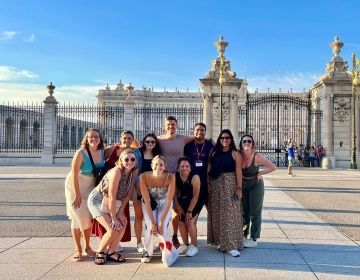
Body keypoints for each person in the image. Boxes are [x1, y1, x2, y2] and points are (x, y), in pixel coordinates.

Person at [91, 130, 142, 251]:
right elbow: (98, 159)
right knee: (107, 214)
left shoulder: (134, 153)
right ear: (121, 138)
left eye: (130, 138)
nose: (127, 140)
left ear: (133, 140)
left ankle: (115, 242)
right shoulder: (112, 149)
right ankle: (106, 240)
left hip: (122, 190)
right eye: (125, 138)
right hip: (108, 187)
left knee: (120, 215)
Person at [88, 149, 138, 265]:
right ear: (120, 160)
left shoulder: (133, 172)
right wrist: (114, 217)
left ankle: (111, 251)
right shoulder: (117, 171)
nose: (129, 162)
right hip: (98, 199)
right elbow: (111, 195)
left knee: (122, 225)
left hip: (115, 201)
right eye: (126, 159)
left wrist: (120, 212)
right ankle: (100, 252)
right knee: (111, 229)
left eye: (132, 159)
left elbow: (128, 193)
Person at [64, 128, 105, 261]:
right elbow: (74, 175)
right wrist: (76, 195)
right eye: (91, 137)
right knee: (78, 216)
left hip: (90, 186)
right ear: (86, 139)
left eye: (96, 137)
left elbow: (121, 149)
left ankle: (87, 247)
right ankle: (78, 249)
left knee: (86, 216)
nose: (94, 139)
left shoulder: (103, 152)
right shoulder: (81, 153)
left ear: (100, 138)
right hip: (75, 186)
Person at [158, 116, 194, 248]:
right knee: (162, 208)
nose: (170, 127)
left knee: (176, 208)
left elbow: (198, 136)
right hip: (164, 178)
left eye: (173, 124)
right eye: (168, 124)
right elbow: (144, 145)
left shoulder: (182, 138)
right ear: (164, 126)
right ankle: (163, 234)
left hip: (177, 178)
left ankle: (174, 235)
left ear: (177, 126)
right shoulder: (159, 139)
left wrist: (213, 141)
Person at [207, 129, 243, 257]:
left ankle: (231, 244)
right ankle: (220, 241)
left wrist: (239, 188)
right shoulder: (214, 152)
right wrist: (208, 183)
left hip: (229, 185)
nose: (225, 140)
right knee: (216, 213)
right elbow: (209, 168)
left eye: (227, 138)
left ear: (231, 139)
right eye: (222, 138)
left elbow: (239, 171)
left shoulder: (235, 153)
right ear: (219, 139)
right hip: (216, 184)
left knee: (229, 214)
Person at [239, 134, 277, 248]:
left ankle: (254, 238)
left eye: (249, 141)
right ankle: (244, 236)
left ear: (252, 144)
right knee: (244, 212)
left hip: (256, 185)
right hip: (244, 185)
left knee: (255, 212)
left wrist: (260, 173)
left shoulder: (257, 156)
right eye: (244, 141)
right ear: (241, 143)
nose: (247, 143)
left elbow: (273, 167)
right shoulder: (239, 155)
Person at [139, 155, 176, 263]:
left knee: (162, 227)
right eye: (156, 164)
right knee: (150, 227)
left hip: (164, 203)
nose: (158, 167)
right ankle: (147, 250)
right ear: (151, 165)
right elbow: (147, 200)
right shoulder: (144, 177)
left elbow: (169, 200)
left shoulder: (170, 177)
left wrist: (160, 222)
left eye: (161, 165)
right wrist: (151, 221)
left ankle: (166, 249)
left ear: (165, 166)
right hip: (149, 204)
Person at [134, 133, 161, 253]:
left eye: (153, 142)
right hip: (138, 187)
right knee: (139, 216)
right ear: (143, 142)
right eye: (148, 141)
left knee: (150, 217)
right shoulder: (138, 153)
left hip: (152, 190)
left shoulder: (157, 155)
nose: (150, 144)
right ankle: (139, 242)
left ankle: (151, 242)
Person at [183, 122, 215, 214]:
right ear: (193, 132)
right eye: (197, 130)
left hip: (208, 184)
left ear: (205, 132)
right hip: (193, 184)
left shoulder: (210, 145)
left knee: (212, 213)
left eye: (202, 130)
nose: (199, 132)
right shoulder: (188, 146)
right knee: (193, 215)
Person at [174, 157, 201, 257]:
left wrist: (189, 211)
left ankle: (194, 246)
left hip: (195, 202)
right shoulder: (175, 176)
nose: (184, 168)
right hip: (182, 202)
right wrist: (178, 208)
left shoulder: (195, 177)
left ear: (190, 168)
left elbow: (196, 196)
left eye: (187, 166)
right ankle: (185, 244)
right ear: (178, 168)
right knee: (180, 221)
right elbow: (175, 194)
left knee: (189, 221)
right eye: (182, 166)